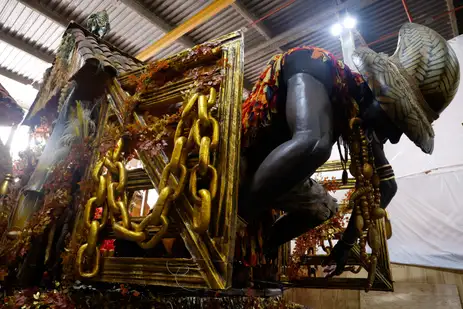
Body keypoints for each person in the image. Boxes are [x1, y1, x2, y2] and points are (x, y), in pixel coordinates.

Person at [239, 23, 459, 277]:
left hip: (265, 181)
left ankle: (259, 251)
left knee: (324, 207)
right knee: (316, 145)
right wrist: (240, 219)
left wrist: (345, 246)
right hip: (240, 159)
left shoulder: (358, 117)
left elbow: (386, 186)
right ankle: (233, 227)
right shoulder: (316, 64)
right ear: (377, 92)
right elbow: (311, 142)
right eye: (399, 121)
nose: (396, 137)